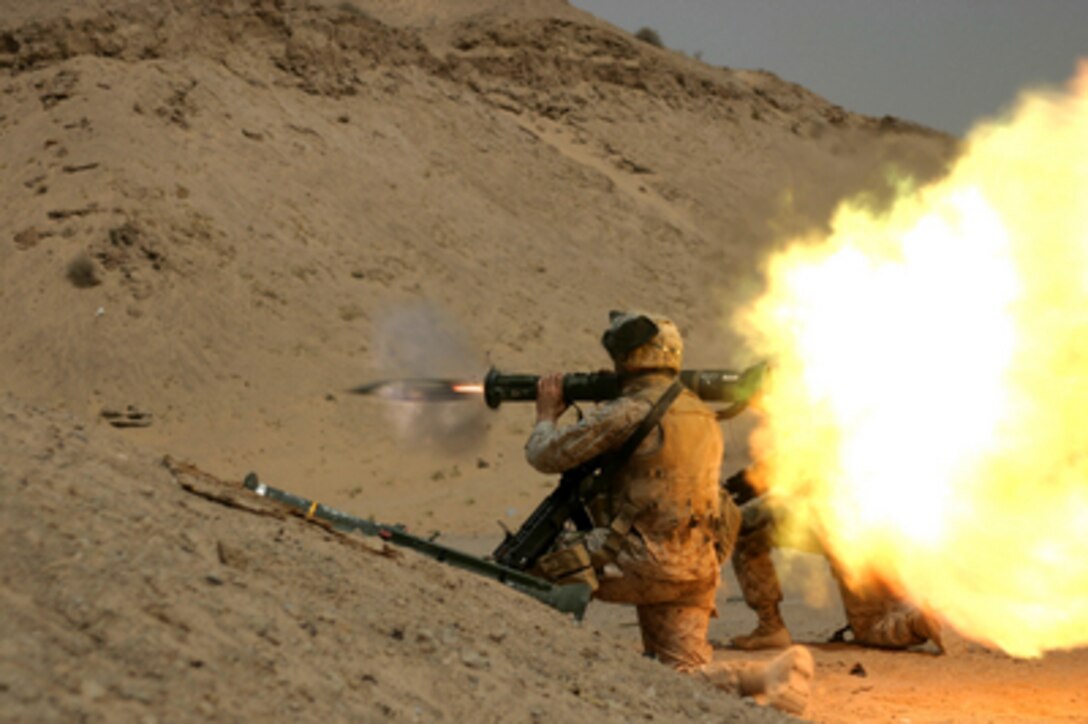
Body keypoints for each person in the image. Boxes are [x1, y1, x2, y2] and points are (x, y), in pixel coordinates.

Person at [524, 310, 814, 715]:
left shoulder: (629, 410)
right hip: (695, 568)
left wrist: (545, 417)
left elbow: (546, 454)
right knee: (681, 673)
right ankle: (768, 677)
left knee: (522, 571)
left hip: (635, 560)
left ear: (629, 356)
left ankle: (535, 674)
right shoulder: (703, 415)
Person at [726, 479, 944, 653]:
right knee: (886, 608)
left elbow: (744, 520)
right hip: (883, 529)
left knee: (868, 627)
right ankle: (916, 617)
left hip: (848, 537)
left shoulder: (785, 497)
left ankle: (770, 627)